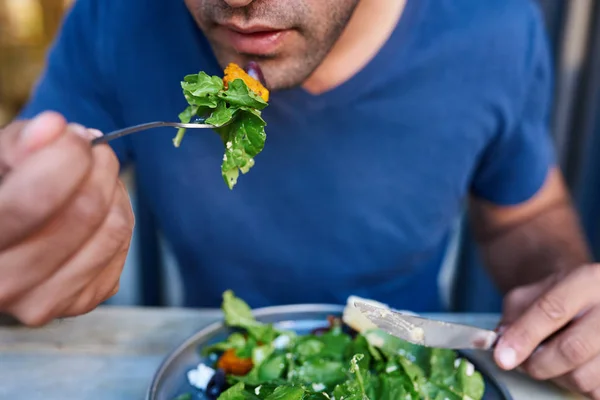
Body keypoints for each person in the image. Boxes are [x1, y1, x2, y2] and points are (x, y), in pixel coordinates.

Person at [0, 0, 599, 396]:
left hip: (411, 361)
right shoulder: (116, 16)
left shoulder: (491, 26)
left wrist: (563, 306)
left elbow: (525, 217)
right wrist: (26, 245)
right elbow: (34, 195)